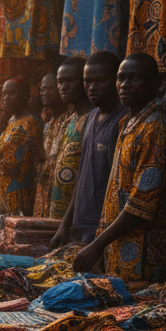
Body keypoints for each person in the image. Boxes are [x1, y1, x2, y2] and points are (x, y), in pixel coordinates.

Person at [70, 53, 166, 282]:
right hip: (119, 251)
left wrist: (97, 244)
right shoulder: (129, 124)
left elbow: (140, 206)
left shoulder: (156, 131)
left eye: (134, 78)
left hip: (143, 256)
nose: (125, 85)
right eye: (121, 78)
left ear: (156, 84)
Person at [51, 52, 128, 251]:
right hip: (81, 225)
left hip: (105, 230)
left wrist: (100, 241)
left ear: (115, 81)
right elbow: (83, 175)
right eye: (88, 81)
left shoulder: (125, 121)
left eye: (100, 81)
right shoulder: (91, 118)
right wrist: (65, 224)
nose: (92, 88)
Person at [0, 79, 42, 216]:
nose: (6, 98)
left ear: (24, 96)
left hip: (19, 190)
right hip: (6, 188)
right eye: (4, 94)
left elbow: (15, 164)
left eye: (11, 94)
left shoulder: (29, 123)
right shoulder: (12, 120)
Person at [45, 57, 91, 220]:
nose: (63, 87)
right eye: (60, 82)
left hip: (80, 214)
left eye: (70, 81)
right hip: (59, 211)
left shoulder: (92, 120)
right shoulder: (69, 121)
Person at [33, 71, 66, 216]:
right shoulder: (49, 123)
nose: (44, 93)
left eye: (49, 89)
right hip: (44, 192)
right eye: (42, 89)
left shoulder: (72, 121)